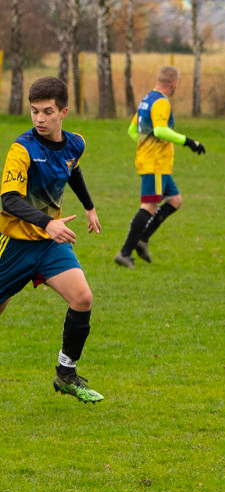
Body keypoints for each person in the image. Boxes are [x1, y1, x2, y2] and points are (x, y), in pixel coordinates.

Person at [0, 77, 104, 403]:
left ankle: (66, 373)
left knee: (82, 298)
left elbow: (72, 169)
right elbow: (9, 200)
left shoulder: (76, 144)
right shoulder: (22, 149)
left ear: (64, 112)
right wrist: (48, 223)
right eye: (34, 112)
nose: (40, 119)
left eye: (47, 112)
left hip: (48, 245)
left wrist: (89, 208)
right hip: (13, 244)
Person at [114, 65, 206, 268]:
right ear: (173, 84)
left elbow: (132, 130)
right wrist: (188, 142)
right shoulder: (162, 103)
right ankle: (125, 252)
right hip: (155, 164)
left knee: (175, 200)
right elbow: (160, 130)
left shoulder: (146, 100)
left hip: (156, 163)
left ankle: (142, 239)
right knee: (149, 206)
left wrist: (145, 145)